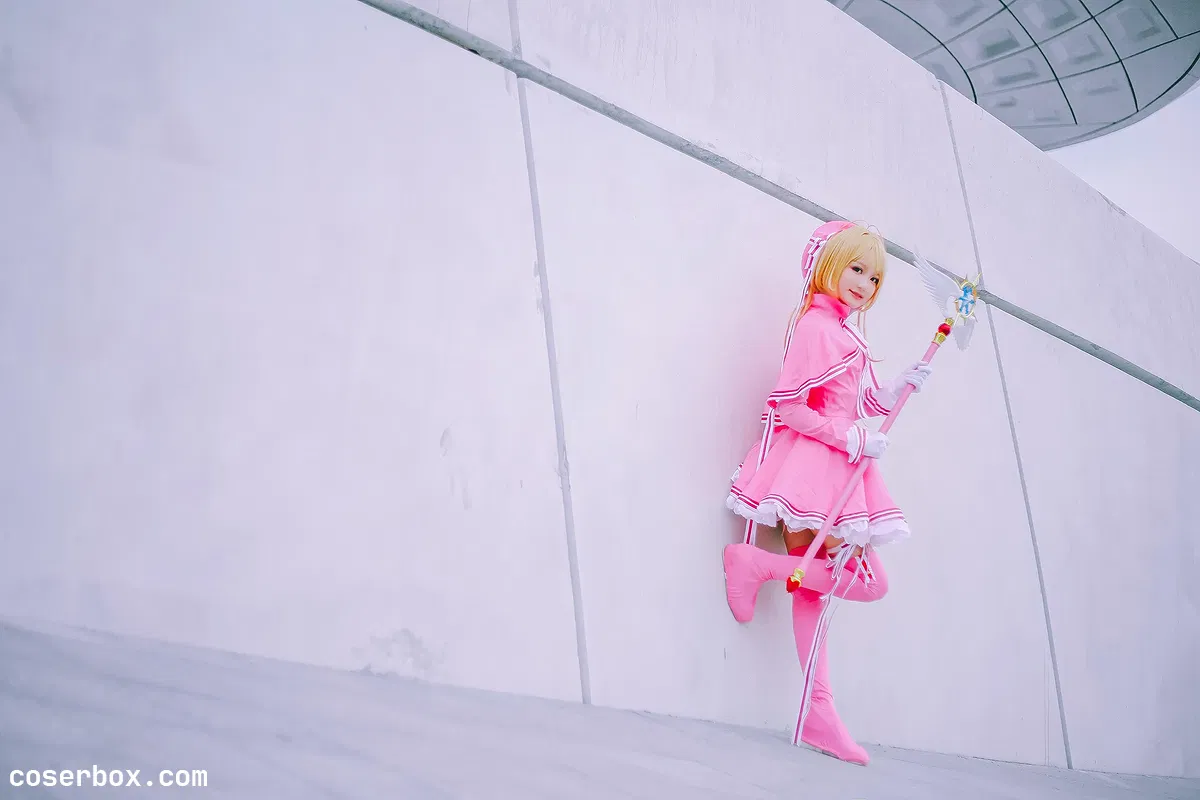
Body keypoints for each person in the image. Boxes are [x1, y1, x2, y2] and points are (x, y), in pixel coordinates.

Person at [721, 220, 932, 765]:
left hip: (832, 465)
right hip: (815, 467)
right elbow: (789, 406)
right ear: (829, 264)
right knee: (857, 582)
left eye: (874, 277)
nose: (864, 284)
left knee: (827, 587)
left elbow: (854, 402)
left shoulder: (841, 331)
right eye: (856, 268)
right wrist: (851, 437)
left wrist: (898, 387)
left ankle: (819, 712)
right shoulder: (817, 327)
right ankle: (756, 565)